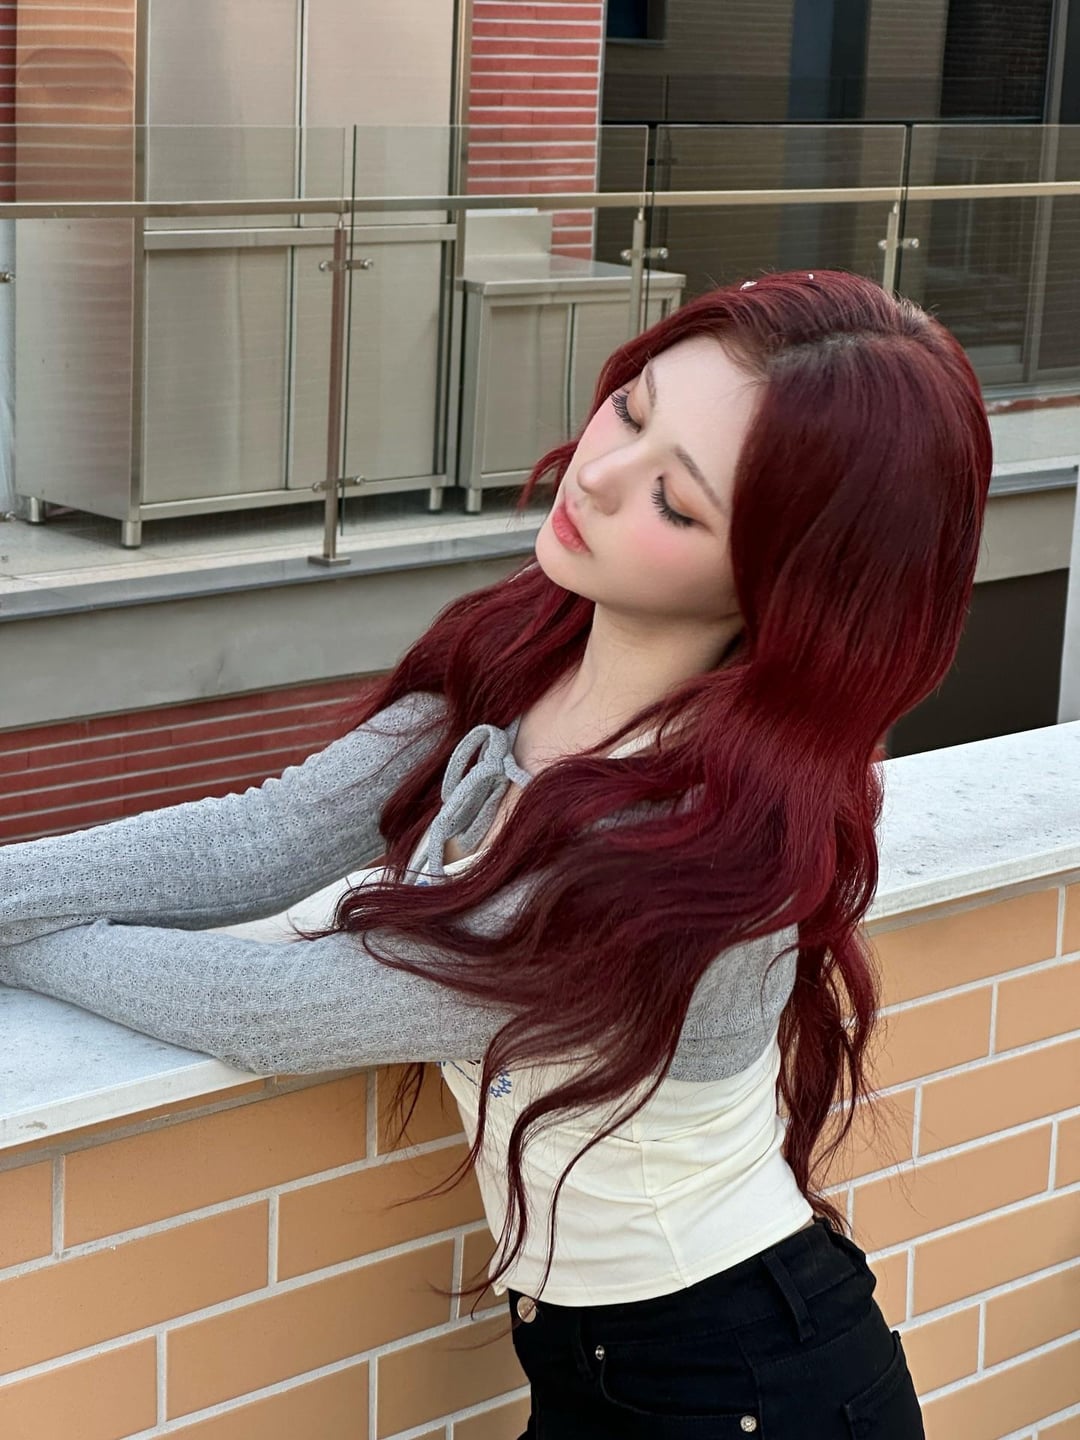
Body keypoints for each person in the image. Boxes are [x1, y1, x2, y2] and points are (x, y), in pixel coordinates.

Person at [1, 270, 991, 1437]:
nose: (598, 473)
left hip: (745, 1382)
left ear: (791, 584)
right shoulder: (526, 654)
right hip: (616, 1361)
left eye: (675, 502)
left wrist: (24, 941)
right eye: (630, 408)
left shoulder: (688, 843)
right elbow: (269, 836)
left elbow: (281, 1011)